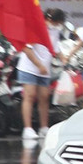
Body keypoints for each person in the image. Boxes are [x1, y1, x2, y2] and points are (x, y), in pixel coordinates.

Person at [18, 8, 64, 141]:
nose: (57, 25)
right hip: (30, 68)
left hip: (44, 69)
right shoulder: (37, 28)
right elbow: (26, 49)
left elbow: (55, 48)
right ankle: (27, 128)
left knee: (44, 97)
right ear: (49, 20)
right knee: (30, 96)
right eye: (56, 23)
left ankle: (44, 127)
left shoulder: (55, 31)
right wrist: (39, 65)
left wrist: (64, 58)